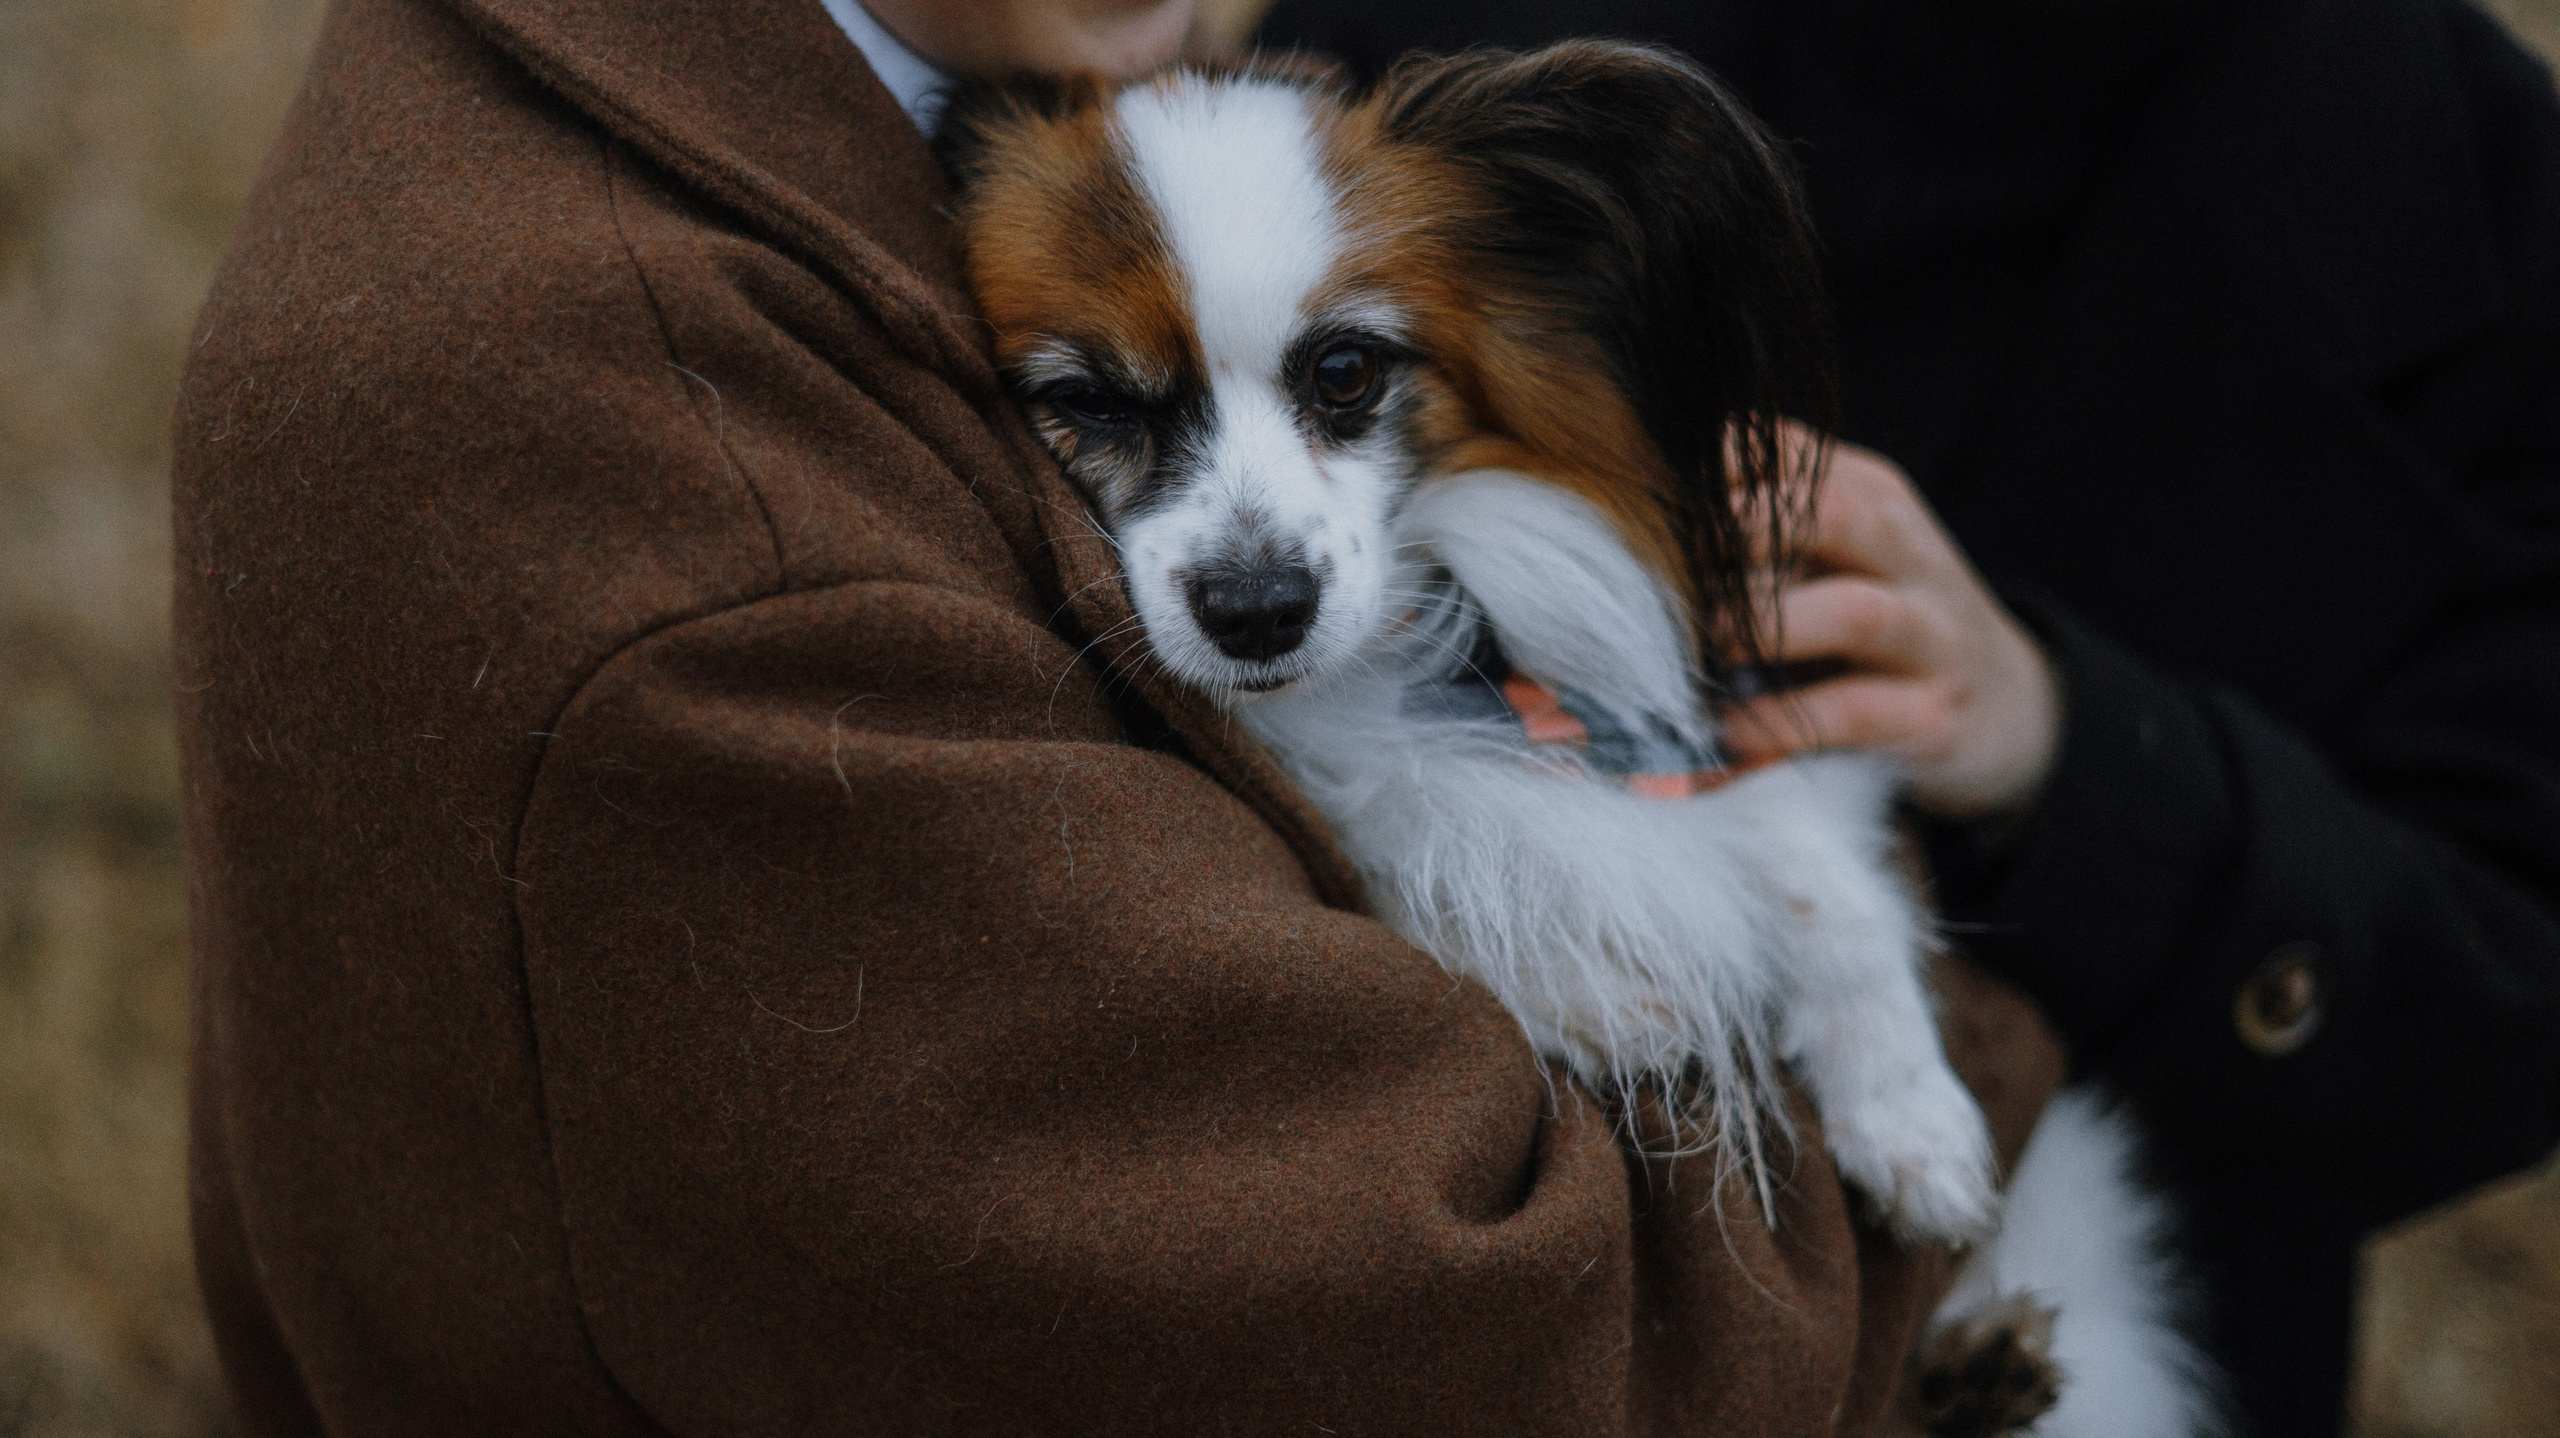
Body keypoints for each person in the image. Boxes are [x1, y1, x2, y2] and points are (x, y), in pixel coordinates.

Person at [172, 0, 2067, 1432]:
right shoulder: (666, 460)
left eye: (1339, 380)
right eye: (1100, 408)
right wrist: (1978, 1044)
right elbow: (1454, 1331)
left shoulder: (838, 107)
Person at [1248, 1, 2560, 1433]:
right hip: (1465, 1293)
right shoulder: (1455, 48)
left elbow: (2510, 1009)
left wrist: (2078, 755)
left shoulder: (2494, 191)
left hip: (2086, 1324)